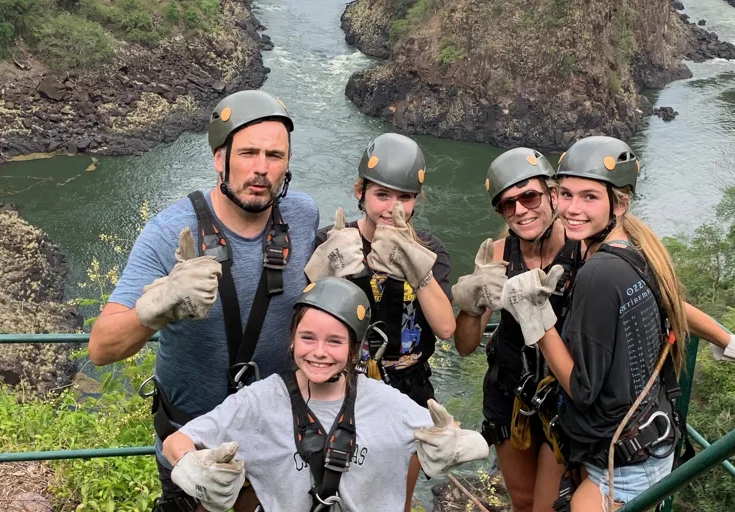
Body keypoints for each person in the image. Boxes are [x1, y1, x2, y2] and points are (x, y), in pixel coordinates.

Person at [452, 146, 735, 512]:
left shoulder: (583, 246)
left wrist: (728, 341)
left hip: (564, 397)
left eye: (529, 196)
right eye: (507, 204)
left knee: (546, 505)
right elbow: (465, 346)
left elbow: (664, 298)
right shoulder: (498, 255)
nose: (520, 210)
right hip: (511, 391)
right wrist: (474, 302)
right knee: (523, 501)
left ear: (550, 194)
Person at [86, 89, 320, 512]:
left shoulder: (303, 217)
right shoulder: (171, 233)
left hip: (280, 441)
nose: (261, 169)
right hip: (192, 447)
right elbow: (101, 347)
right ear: (220, 159)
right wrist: (157, 307)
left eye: (275, 155)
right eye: (248, 153)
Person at [161, 277, 489, 512]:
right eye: (307, 338)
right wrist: (193, 464)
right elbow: (178, 442)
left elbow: (464, 440)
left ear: (355, 349)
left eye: (335, 341)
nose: (319, 352)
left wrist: (454, 443)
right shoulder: (259, 402)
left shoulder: (388, 404)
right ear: (291, 341)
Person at [305, 133, 456, 510]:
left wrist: (418, 270)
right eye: (382, 195)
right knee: (328, 489)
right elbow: (304, 321)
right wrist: (323, 273)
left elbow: (446, 327)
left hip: (407, 385)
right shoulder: (333, 241)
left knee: (394, 498)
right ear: (360, 191)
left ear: (416, 199)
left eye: (404, 197)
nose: (393, 207)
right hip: (341, 383)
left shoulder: (430, 250)